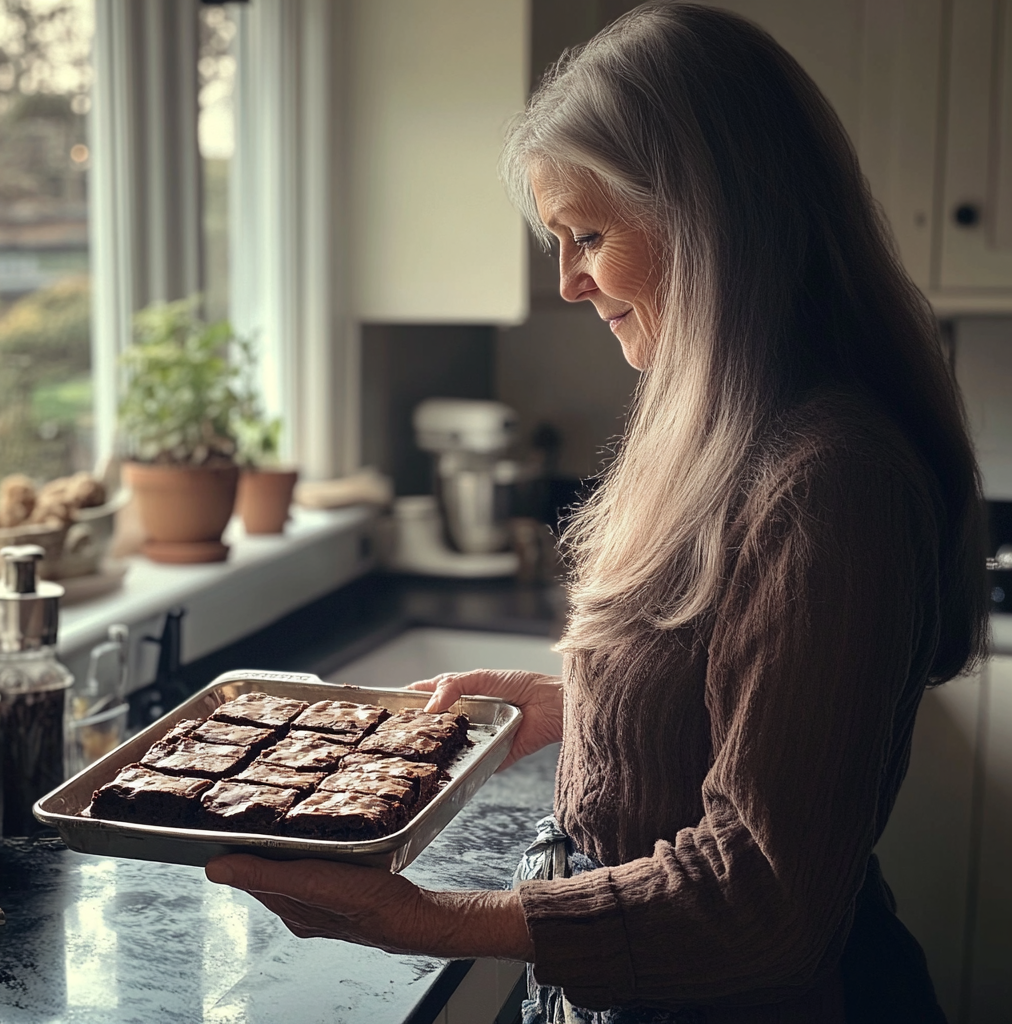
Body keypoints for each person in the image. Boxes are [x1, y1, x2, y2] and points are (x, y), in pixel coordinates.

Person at [204, 3, 989, 1021]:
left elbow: (757, 897)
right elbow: (743, 706)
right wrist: (574, 707)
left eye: (587, 235)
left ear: (714, 222)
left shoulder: (827, 482)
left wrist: (423, 916)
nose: (569, 282)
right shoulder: (732, 430)